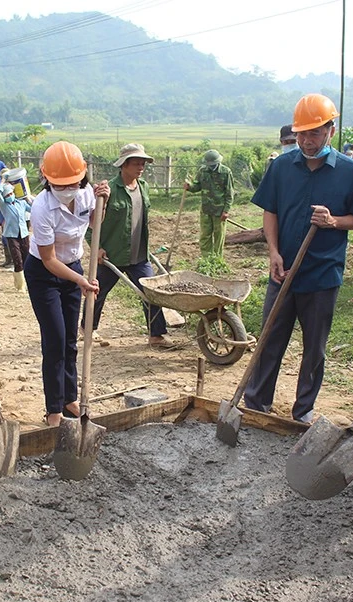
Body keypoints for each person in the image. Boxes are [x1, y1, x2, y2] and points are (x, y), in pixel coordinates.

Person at [244, 94, 353, 423]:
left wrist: (333, 221)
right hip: (283, 271)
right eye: (301, 134)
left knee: (314, 348)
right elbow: (270, 211)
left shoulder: (351, 171)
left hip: (322, 274)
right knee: (269, 339)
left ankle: (303, 411)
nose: (306, 141)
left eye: (314, 133)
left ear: (331, 131)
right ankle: (256, 405)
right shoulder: (281, 167)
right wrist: (273, 252)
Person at [24, 141, 108, 427]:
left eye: (72, 183)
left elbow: (95, 223)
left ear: (82, 177)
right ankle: (53, 410)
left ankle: (69, 398)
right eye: (60, 185)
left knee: (70, 340)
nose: (66, 189)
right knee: (55, 340)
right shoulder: (41, 208)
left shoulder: (86, 194)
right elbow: (49, 260)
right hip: (44, 274)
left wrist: (103, 201)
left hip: (73, 266)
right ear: (47, 178)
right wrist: (80, 280)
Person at [83, 143, 171, 349]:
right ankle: (87, 329)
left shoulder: (143, 187)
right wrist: (97, 248)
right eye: (136, 164)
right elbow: (89, 225)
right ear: (123, 165)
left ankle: (156, 335)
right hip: (112, 253)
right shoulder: (109, 190)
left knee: (151, 292)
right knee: (98, 292)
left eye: (143, 164)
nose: (141, 168)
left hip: (138, 254)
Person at [184, 149, 234, 257]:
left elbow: (229, 193)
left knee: (219, 235)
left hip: (219, 210)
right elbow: (197, 186)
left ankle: (216, 258)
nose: (211, 166)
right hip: (206, 209)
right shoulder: (202, 171)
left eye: (213, 164)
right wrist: (189, 187)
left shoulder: (226, 172)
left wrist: (226, 211)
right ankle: (206, 258)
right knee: (205, 235)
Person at [0, 182, 31, 292]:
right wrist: (2, 182)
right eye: (7, 195)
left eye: (11, 194)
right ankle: (20, 285)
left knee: (27, 258)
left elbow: (33, 209)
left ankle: (29, 282)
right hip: (12, 235)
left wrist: (29, 198)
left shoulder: (21, 203)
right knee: (17, 259)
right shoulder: (4, 206)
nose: (9, 196)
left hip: (23, 234)